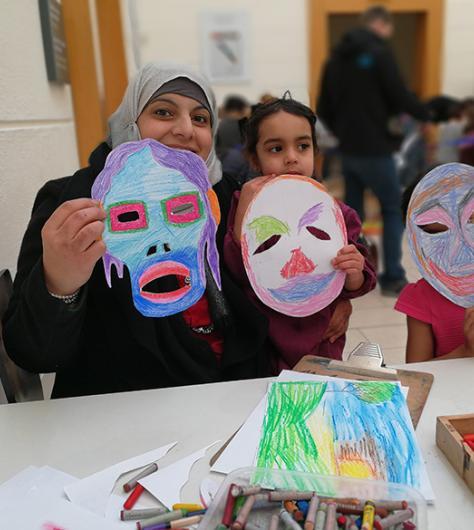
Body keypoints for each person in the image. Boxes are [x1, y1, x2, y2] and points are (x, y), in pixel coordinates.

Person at [3, 63, 270, 398]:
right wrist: (60, 283)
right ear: (130, 122)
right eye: (164, 112)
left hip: (236, 398)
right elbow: (35, 353)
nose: (186, 129)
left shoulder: (224, 195)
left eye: (201, 118)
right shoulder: (74, 204)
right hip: (123, 415)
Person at [223, 97, 376, 371]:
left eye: (303, 146)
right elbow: (234, 271)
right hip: (262, 343)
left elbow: (359, 280)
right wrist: (245, 209)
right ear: (254, 158)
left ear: (316, 153)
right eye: (276, 148)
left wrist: (354, 272)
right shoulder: (240, 203)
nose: (291, 157)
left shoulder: (338, 212)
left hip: (322, 340)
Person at [317, 5, 430, 297]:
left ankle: (355, 273)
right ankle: (392, 277)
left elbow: (323, 107)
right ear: (382, 25)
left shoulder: (334, 60)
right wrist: (426, 113)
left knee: (353, 215)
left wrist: (343, 133)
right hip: (376, 149)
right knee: (392, 208)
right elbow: (399, 95)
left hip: (348, 151)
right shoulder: (380, 54)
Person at [395, 166, 474, 362]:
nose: (461, 243)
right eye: (437, 232)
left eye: (472, 222)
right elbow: (415, 373)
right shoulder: (421, 298)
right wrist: (465, 353)